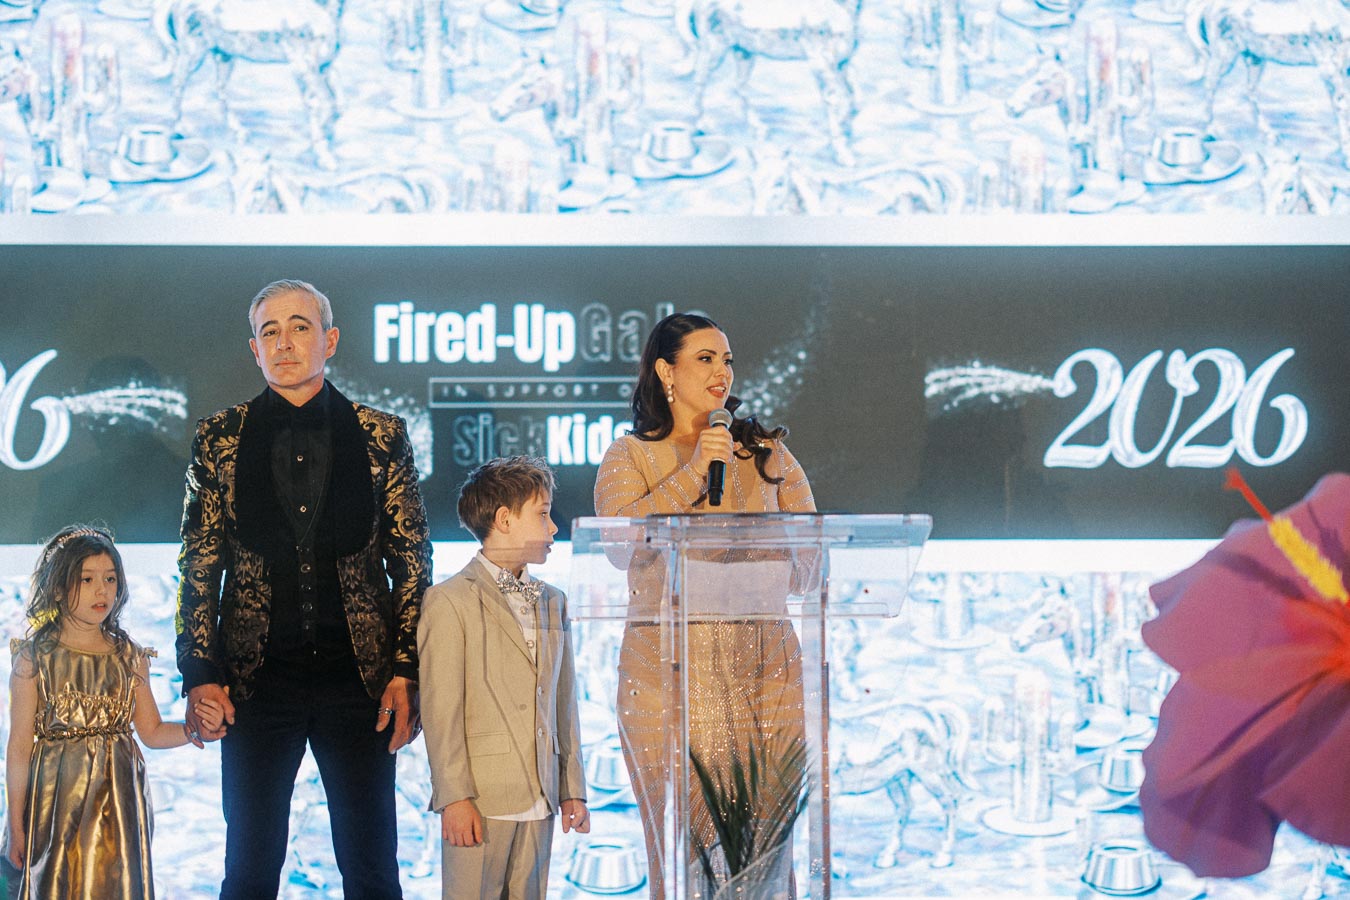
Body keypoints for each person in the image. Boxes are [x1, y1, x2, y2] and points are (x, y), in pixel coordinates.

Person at [175, 279, 433, 899]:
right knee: (249, 869)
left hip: (361, 684)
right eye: (270, 332)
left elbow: (413, 563)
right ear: (254, 351)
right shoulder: (219, 439)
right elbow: (198, 565)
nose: (285, 343)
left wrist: (407, 667)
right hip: (255, 684)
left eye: (300, 327)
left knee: (372, 868)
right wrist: (199, 671)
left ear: (330, 340)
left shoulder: (382, 436)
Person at [592, 312, 816, 897]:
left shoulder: (768, 454)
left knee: (766, 841)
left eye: (728, 359)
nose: (722, 371)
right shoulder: (629, 456)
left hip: (766, 665)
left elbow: (812, 565)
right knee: (685, 845)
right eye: (705, 358)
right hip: (667, 668)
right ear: (666, 371)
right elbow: (617, 544)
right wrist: (695, 471)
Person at [5, 524, 226, 899]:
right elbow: (19, 747)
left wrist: (194, 731)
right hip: (55, 804)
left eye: (110, 578)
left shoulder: (129, 656)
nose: (101, 589)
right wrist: (14, 822)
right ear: (58, 588)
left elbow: (152, 731)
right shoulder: (34, 658)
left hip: (116, 804)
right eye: (87, 578)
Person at [419, 456, 589, 900]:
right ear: (504, 519)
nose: (554, 528)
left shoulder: (554, 600)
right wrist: (453, 797)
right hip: (481, 799)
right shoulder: (448, 601)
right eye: (543, 513)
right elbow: (442, 712)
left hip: (542, 794)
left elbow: (564, 702)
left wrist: (572, 788)